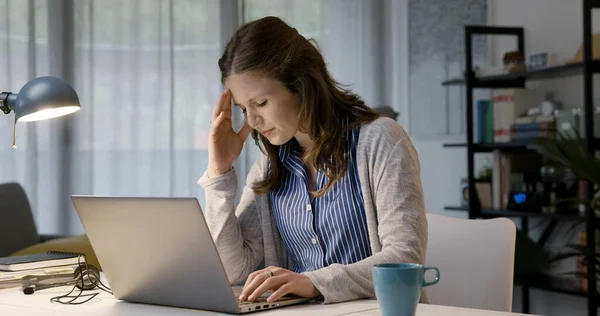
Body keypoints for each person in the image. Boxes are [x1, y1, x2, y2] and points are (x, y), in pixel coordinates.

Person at [198, 16, 427, 305]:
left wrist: (312, 282)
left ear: (301, 85)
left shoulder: (381, 140)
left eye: (261, 103)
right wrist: (219, 173)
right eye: (244, 108)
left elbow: (405, 256)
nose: (253, 121)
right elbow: (234, 270)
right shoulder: (269, 165)